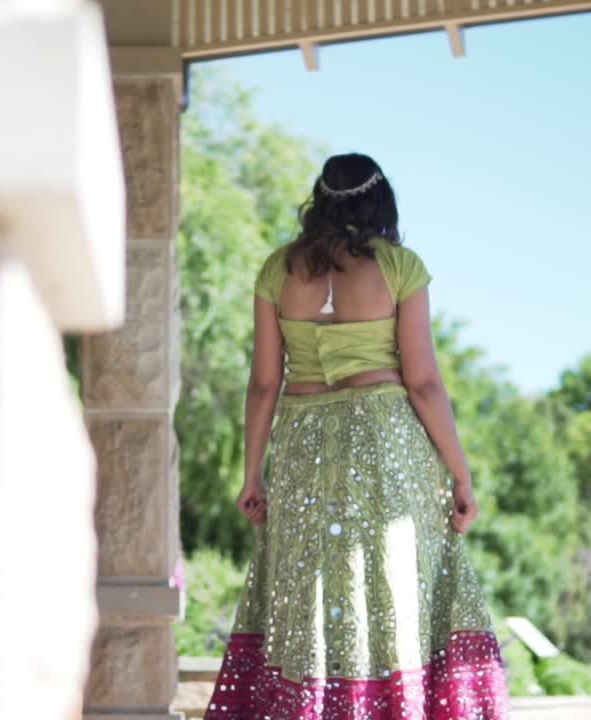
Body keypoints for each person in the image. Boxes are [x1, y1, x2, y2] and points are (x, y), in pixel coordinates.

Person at [203, 153, 510, 720]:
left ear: (318, 202)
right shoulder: (400, 267)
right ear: (380, 201)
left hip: (303, 443)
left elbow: (264, 382)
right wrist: (461, 475)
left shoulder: (277, 270)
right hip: (384, 440)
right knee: (392, 585)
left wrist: (252, 474)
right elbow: (424, 383)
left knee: (309, 589)